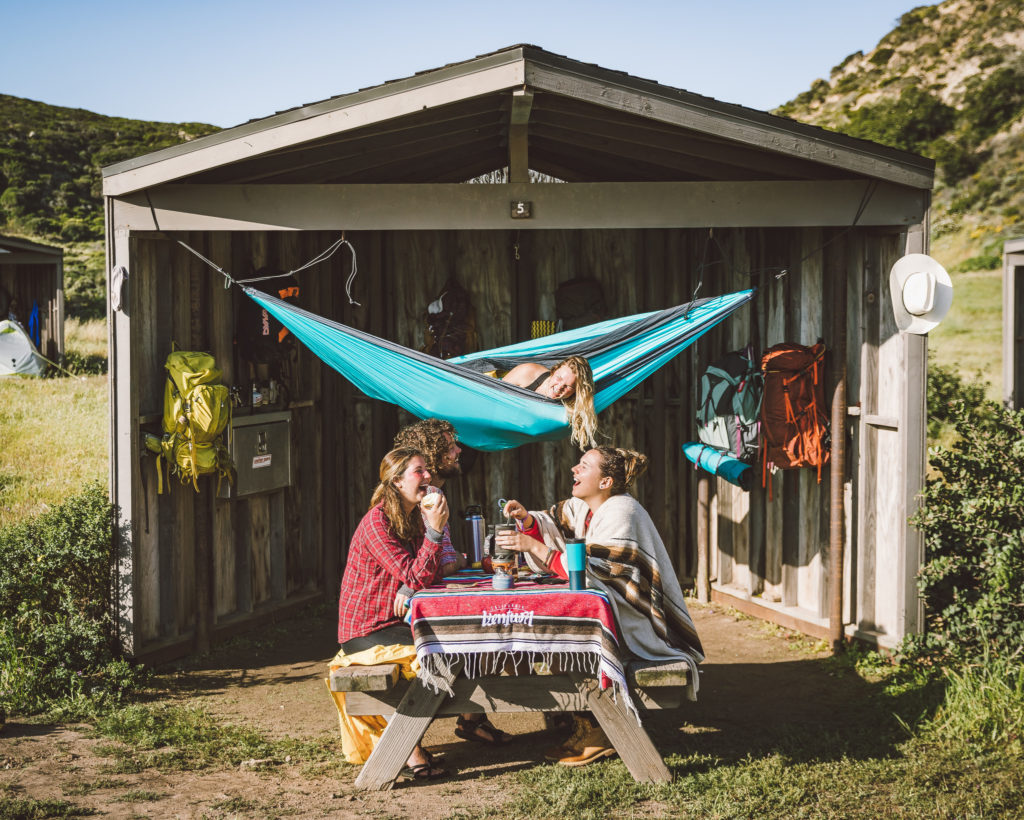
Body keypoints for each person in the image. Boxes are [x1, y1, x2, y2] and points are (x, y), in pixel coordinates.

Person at [496, 446, 705, 767]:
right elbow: (550, 524)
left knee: (562, 637)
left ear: (606, 481)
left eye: (583, 466)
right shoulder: (580, 507)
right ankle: (585, 721)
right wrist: (526, 520)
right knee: (555, 637)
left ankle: (599, 728)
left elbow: (596, 569)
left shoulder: (624, 511)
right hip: (607, 608)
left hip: (634, 619)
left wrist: (533, 545)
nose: (574, 471)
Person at [332, 447, 450, 778]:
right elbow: (416, 573)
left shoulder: (413, 516)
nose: (427, 476)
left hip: (394, 622)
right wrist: (435, 534)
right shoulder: (377, 522)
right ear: (396, 481)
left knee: (455, 646)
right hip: (366, 630)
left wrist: (408, 586)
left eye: (426, 470)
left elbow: (427, 573)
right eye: (419, 471)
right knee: (440, 655)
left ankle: (411, 744)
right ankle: (407, 747)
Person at [392, 418, 466, 577]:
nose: (458, 450)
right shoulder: (431, 494)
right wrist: (461, 559)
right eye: (451, 448)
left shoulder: (406, 494)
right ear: (433, 456)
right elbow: (444, 564)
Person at [501, 355, 598, 449]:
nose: (559, 387)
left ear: (576, 391)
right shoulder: (527, 372)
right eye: (559, 378)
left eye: (569, 386)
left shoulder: (570, 410)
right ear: (554, 370)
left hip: (515, 439)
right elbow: (495, 392)